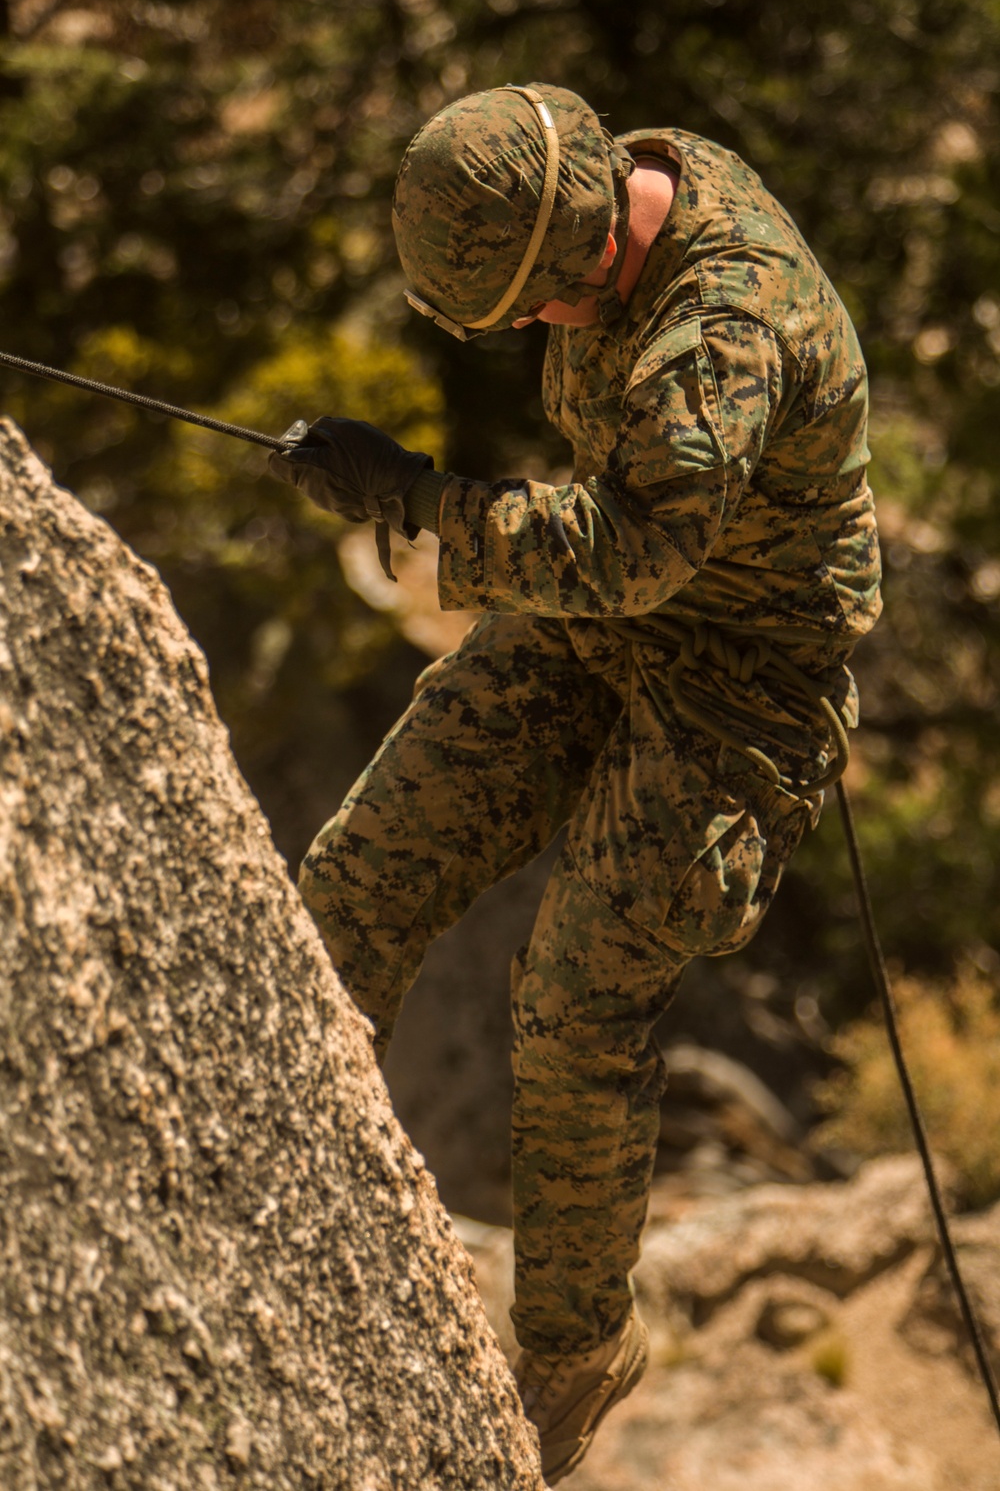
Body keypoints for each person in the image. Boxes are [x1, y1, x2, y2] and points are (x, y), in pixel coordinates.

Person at [269, 82, 881, 1484]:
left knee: (576, 1001)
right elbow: (611, 552)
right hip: (603, 610)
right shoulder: (616, 194)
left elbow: (637, 551)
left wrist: (426, 506)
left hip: (741, 675)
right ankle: (265, 1135)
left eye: (532, 309)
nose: (535, 334)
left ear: (591, 255)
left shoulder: (726, 324)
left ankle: (570, 1355)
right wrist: (401, 490)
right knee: (364, 872)